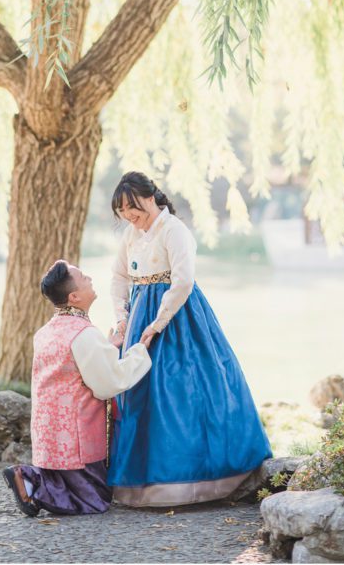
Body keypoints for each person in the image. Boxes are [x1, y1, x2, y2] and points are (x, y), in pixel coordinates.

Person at [107, 171, 272, 507]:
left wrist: (157, 323)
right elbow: (119, 275)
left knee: (185, 390)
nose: (128, 215)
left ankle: (199, 481)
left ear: (150, 197)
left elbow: (182, 282)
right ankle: (139, 483)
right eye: (122, 210)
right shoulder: (131, 234)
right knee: (138, 393)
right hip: (140, 314)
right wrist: (123, 318)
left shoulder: (174, 230)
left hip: (177, 317)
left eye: (132, 207)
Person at [2, 260, 152, 517]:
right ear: (74, 296)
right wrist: (140, 351)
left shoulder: (46, 332)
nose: (90, 278)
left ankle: (35, 478)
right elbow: (108, 384)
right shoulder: (84, 334)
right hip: (77, 440)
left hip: (48, 439)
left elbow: (72, 367)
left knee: (67, 483)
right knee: (96, 501)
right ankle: (31, 481)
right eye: (83, 277)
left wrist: (106, 347)